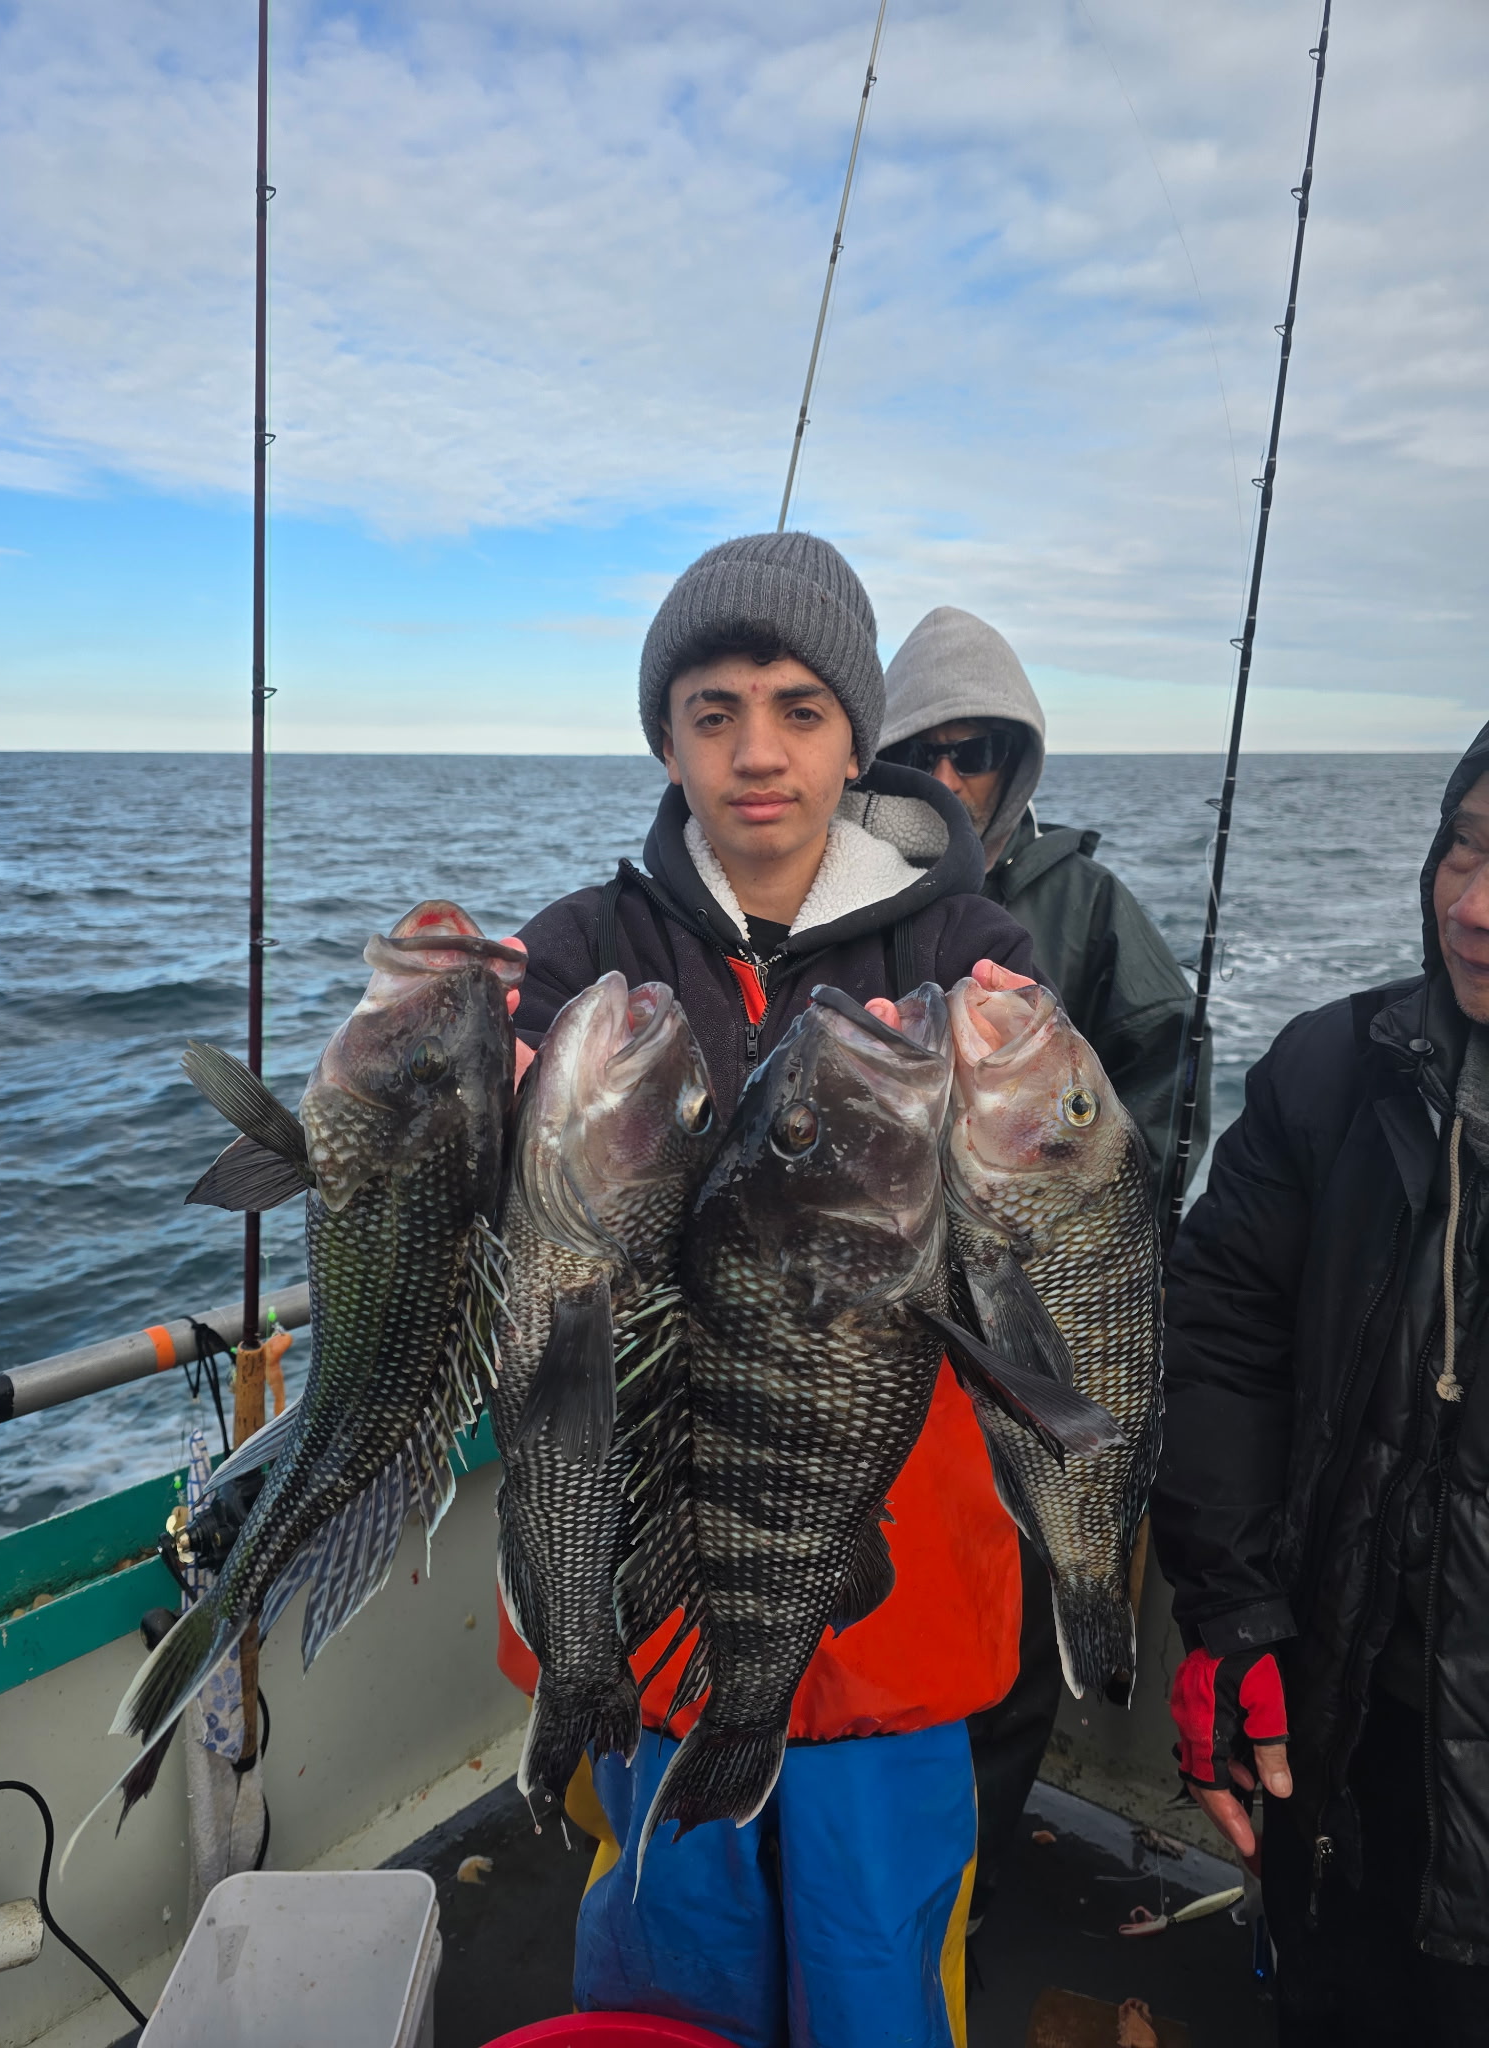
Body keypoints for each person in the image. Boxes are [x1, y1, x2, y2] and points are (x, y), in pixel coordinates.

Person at [500, 530, 1038, 2048]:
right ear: (665, 739)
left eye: (801, 710)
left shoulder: (970, 946)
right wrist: (482, 1094)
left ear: (860, 739)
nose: (757, 752)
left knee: (879, 1963)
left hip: (895, 1569)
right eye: (714, 711)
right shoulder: (584, 948)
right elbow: (505, 1217)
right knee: (679, 1948)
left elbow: (1042, 1212)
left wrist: (1016, 1113)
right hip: (653, 1564)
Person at [1152, 721, 1489, 2046]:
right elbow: (1220, 1337)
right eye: (1462, 849)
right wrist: (1234, 1617)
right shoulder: (1330, 1070)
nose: (1473, 906)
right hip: (1346, 1736)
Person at [878, 603, 1210, 1925]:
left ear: (1013, 763)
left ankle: (968, 1883)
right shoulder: (846, 902)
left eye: (975, 753)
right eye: (922, 753)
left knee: (1015, 1621)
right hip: (884, 1337)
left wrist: (1085, 1227)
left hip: (1033, 1328)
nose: (950, 778)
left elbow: (1160, 1088)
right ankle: (858, 1876)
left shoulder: (1087, 905)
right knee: (872, 1607)